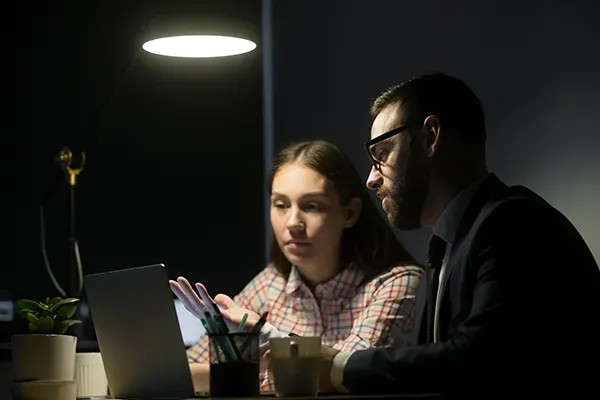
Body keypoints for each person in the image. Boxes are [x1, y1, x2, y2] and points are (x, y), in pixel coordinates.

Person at [316, 73, 600, 397]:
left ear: (430, 137)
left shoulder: (514, 224)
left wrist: (344, 367)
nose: (370, 180)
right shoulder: (447, 248)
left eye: (381, 154)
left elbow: (479, 360)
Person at [171, 140, 424, 393]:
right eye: (280, 204)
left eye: (311, 206)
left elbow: (347, 376)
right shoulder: (269, 284)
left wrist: (263, 339)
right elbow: (187, 369)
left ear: (350, 213)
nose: (293, 222)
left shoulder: (396, 282)